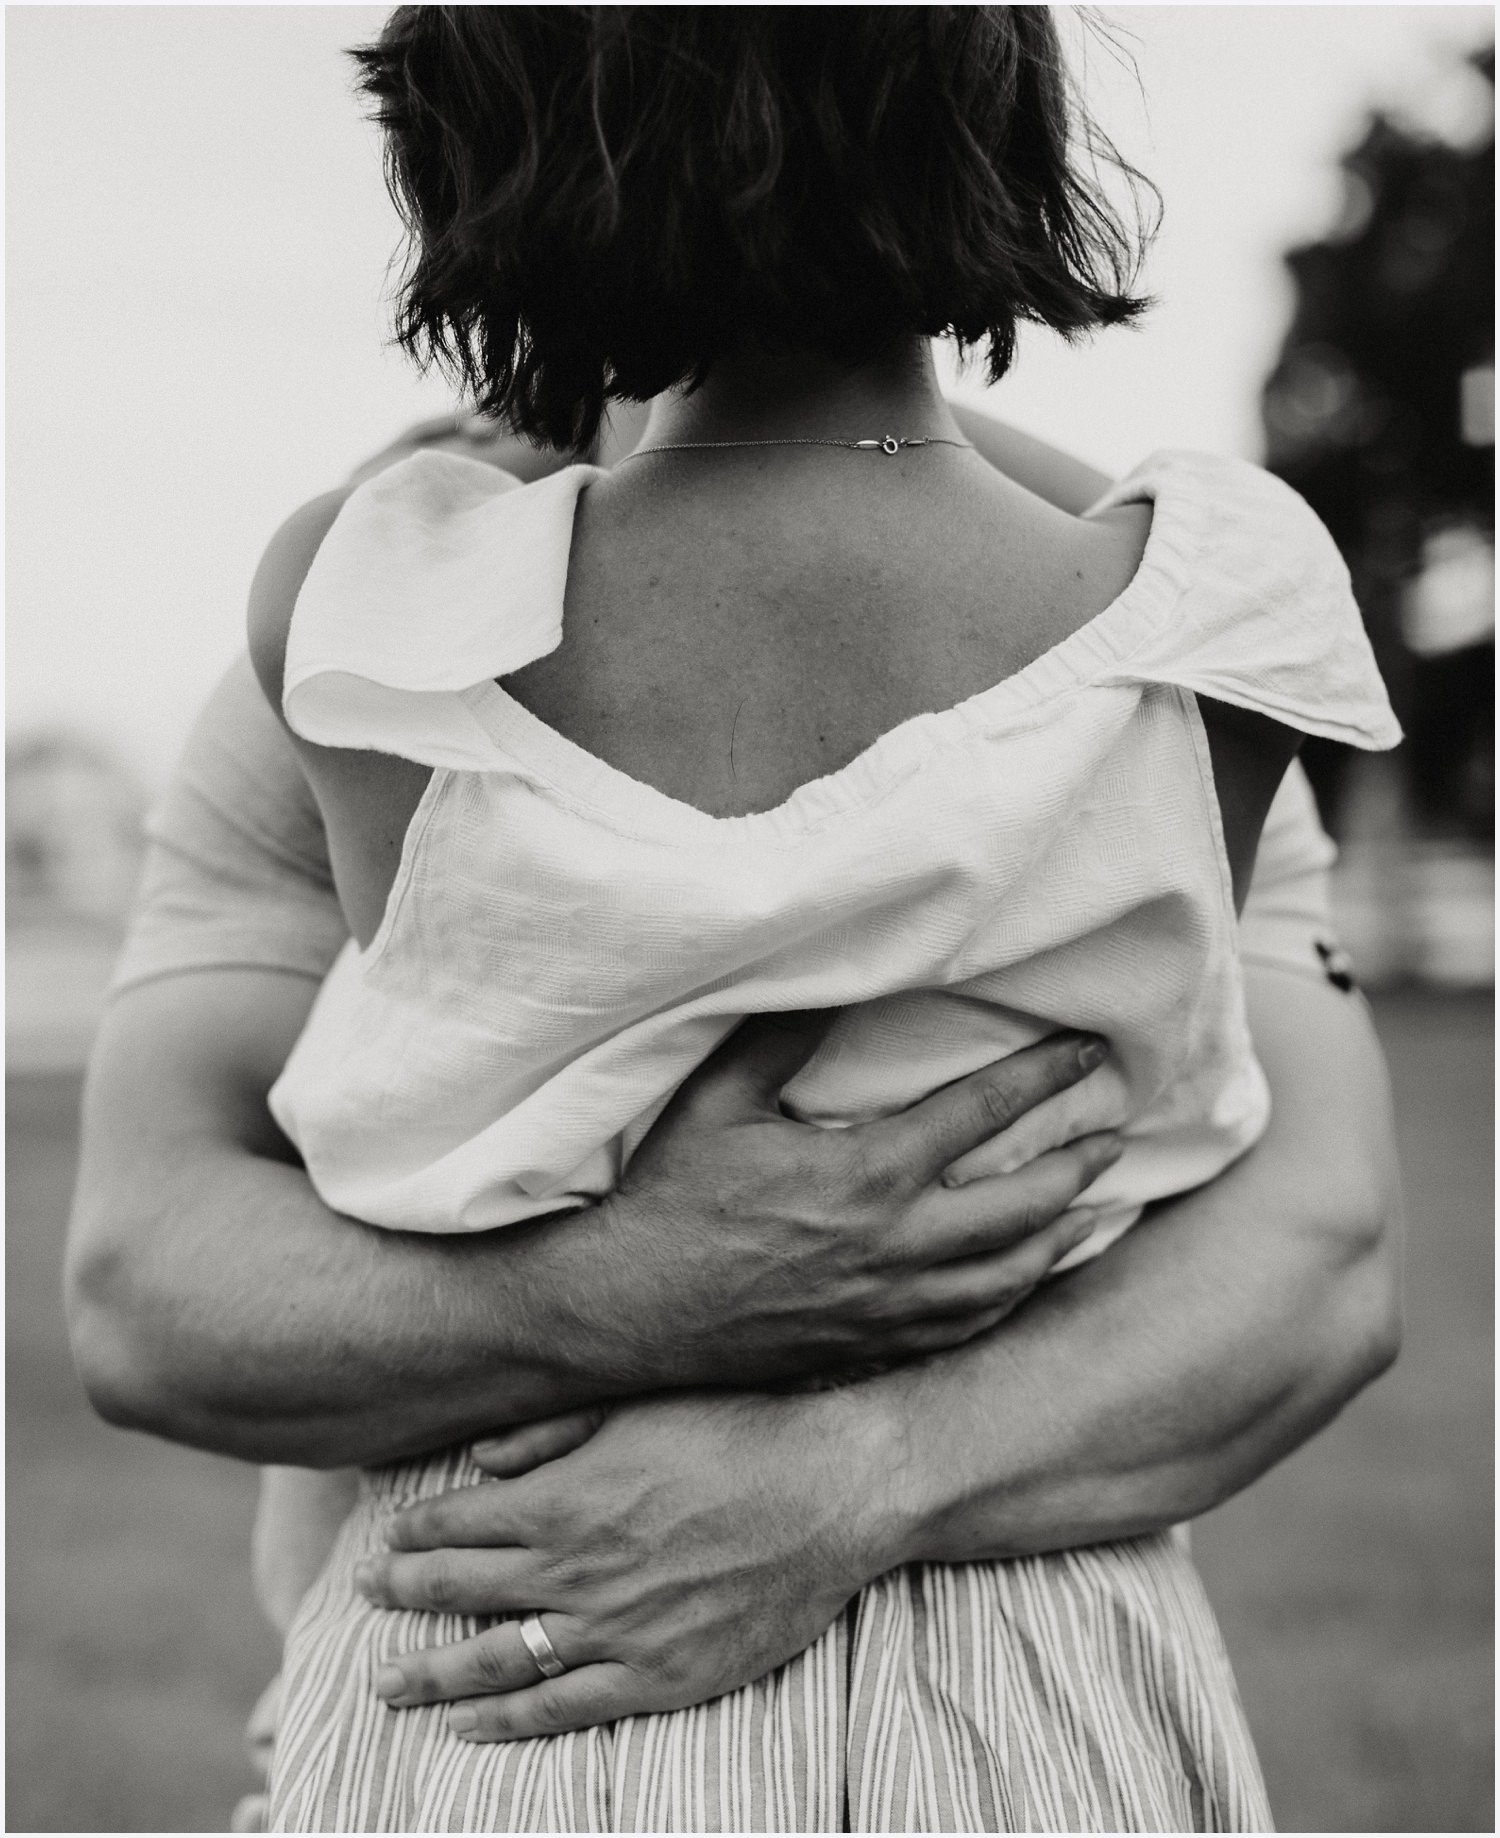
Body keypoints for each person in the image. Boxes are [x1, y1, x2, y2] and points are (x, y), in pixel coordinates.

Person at [65, 8, 1405, 1832]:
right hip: (1034, 1690)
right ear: (989, 111)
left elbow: (434, 1004)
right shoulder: (1217, 615)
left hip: (492, 1662)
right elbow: (144, 1298)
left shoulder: (376, 599)